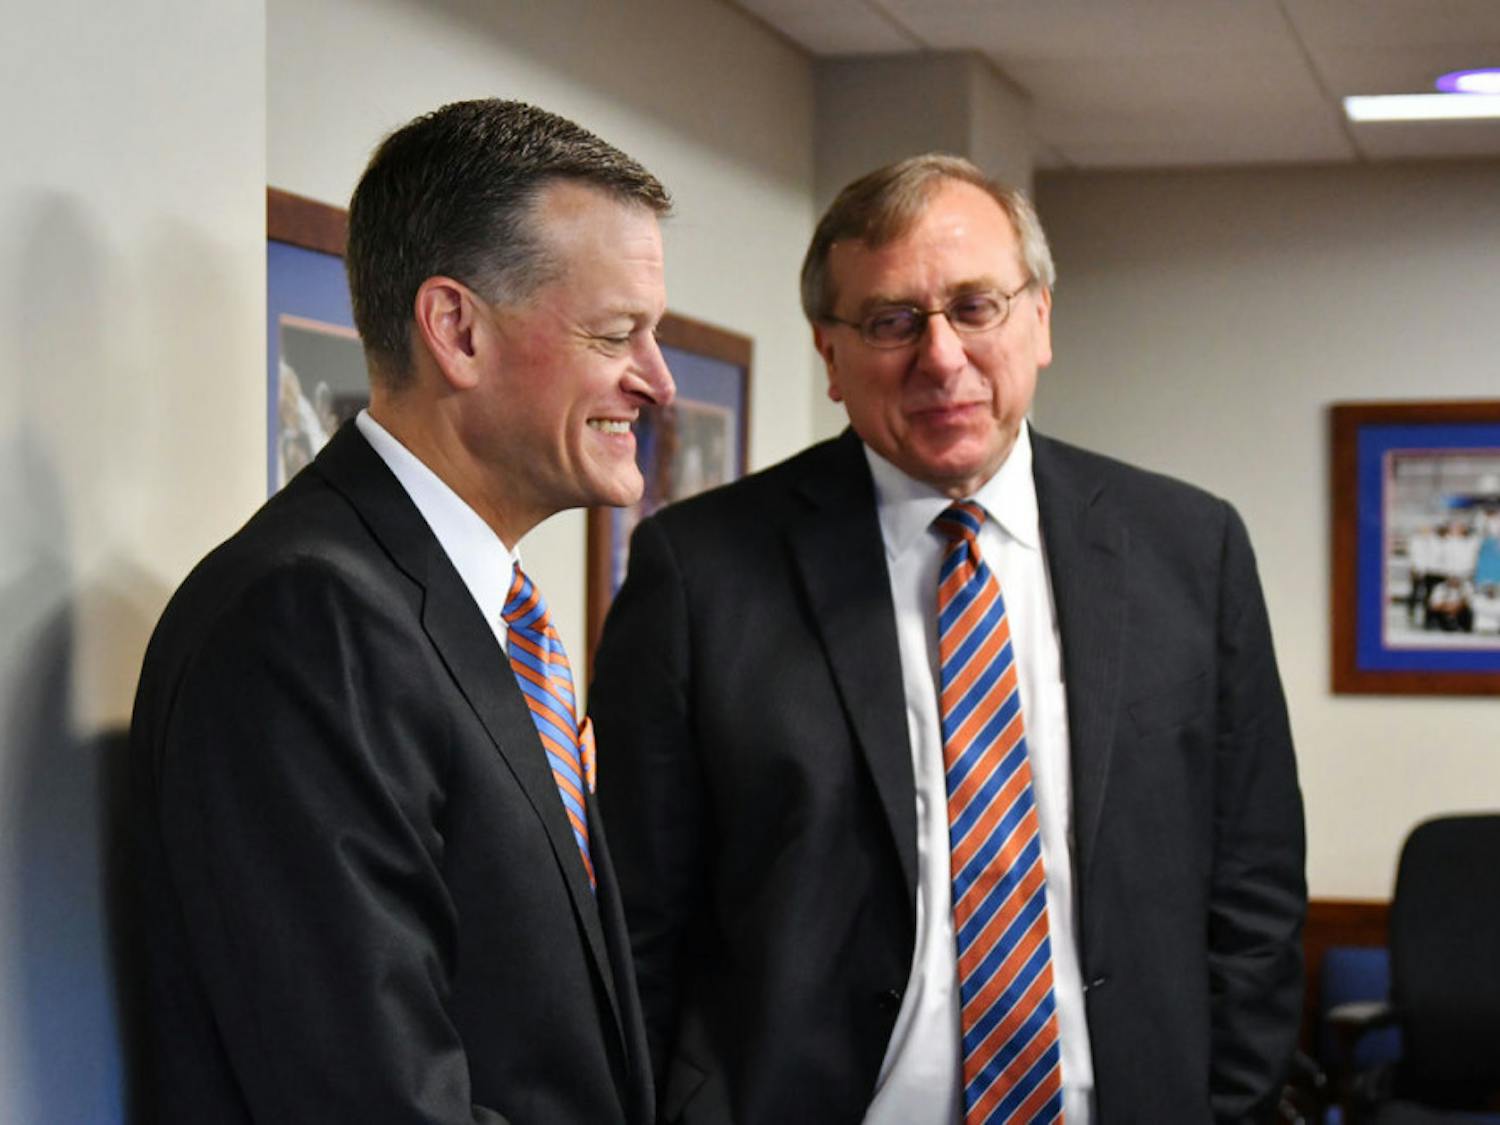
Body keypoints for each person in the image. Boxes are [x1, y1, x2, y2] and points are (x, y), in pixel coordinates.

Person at [590, 154, 1306, 1124]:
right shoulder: (699, 573)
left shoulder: (1190, 549)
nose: (941, 358)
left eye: (977, 307)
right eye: (891, 321)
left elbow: (1253, 891)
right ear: (830, 356)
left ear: (1040, 318)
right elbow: (638, 922)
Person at [130, 98, 675, 1123]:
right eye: (618, 334)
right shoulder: (305, 622)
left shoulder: (478, 609)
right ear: (457, 330)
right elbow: (373, 1099)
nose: (655, 380)